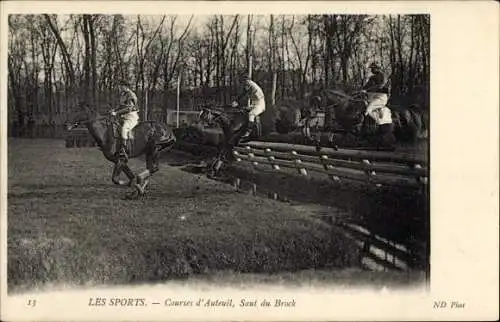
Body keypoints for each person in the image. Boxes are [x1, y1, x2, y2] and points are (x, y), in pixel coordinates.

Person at [111, 80, 139, 161]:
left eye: (121, 86)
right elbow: (120, 106)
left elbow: (129, 108)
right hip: (123, 115)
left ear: (126, 86)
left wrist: (116, 113)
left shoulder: (131, 94)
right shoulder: (123, 94)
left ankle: (124, 151)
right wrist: (114, 110)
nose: (120, 87)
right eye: (120, 86)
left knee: (124, 129)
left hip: (131, 116)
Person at [232, 73, 266, 139]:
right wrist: (236, 101)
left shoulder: (251, 85)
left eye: (244, 81)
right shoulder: (249, 84)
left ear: (247, 80)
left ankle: (248, 131)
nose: (243, 83)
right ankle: (240, 129)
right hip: (254, 104)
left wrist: (236, 101)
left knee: (251, 114)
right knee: (242, 111)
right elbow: (243, 93)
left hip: (260, 104)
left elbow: (244, 93)